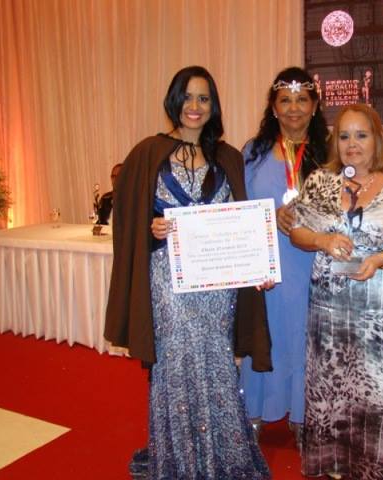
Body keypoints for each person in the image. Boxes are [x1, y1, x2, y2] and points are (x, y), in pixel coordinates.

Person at [103, 65, 271, 479]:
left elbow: (241, 222)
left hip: (217, 285)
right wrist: (152, 229)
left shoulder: (228, 157)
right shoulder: (147, 153)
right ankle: (178, 459)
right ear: (174, 101)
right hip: (168, 281)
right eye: (188, 97)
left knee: (217, 360)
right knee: (175, 363)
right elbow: (127, 221)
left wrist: (258, 266)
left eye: (204, 98)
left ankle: (223, 457)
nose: (195, 106)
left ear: (213, 106)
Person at [290, 104, 383, 480]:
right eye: (345, 136)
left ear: (377, 139)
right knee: (332, 385)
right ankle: (336, 463)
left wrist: (380, 258)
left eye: (361, 135)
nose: (352, 144)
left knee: (380, 388)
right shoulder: (319, 181)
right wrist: (322, 239)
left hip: (380, 303)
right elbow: (297, 231)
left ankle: (382, 466)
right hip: (330, 303)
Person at [240, 66, 329, 445]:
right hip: (267, 265)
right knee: (267, 333)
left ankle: (304, 413)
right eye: (285, 100)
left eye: (302, 100)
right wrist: (268, 216)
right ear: (273, 107)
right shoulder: (253, 152)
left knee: (307, 336)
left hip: (313, 263)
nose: (294, 108)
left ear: (314, 106)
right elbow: (236, 208)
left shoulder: (330, 153)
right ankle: (255, 409)